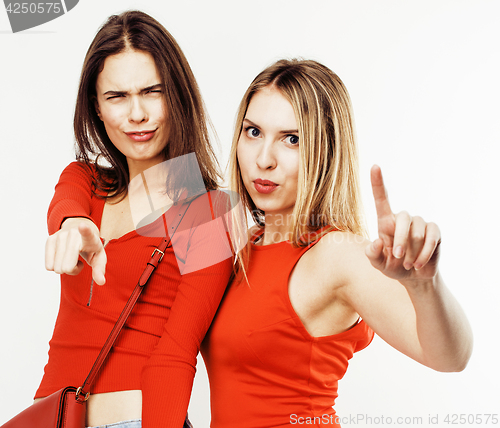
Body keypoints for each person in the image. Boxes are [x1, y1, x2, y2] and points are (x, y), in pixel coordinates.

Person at [199, 59, 473, 427]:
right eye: (253, 132)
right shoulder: (240, 245)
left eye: (291, 139)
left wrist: (426, 286)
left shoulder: (337, 255)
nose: (264, 159)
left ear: (325, 150)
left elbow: (450, 358)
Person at [34, 10, 234, 428]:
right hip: (45, 417)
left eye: (152, 92)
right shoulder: (86, 181)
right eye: (117, 96)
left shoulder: (210, 211)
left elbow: (178, 353)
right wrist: (73, 225)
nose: (137, 114)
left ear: (176, 96)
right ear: (97, 107)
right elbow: (66, 206)